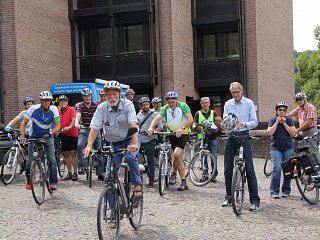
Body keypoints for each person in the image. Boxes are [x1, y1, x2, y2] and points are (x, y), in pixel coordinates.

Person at [83, 80, 143, 201]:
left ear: (120, 94)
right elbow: (94, 128)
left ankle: (137, 185)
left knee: (131, 158)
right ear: (105, 95)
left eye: (114, 94)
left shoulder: (128, 105)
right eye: (109, 94)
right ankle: (111, 214)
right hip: (114, 143)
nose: (111, 97)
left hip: (130, 139)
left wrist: (135, 143)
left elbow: (133, 124)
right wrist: (89, 146)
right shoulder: (101, 108)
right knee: (109, 179)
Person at [221, 82, 260, 212]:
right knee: (227, 168)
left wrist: (243, 123)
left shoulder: (248, 103)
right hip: (232, 136)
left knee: (249, 169)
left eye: (237, 92)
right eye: (233, 92)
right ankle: (229, 197)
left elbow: (255, 122)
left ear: (241, 91)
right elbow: (225, 120)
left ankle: (254, 201)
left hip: (244, 136)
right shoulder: (228, 104)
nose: (236, 94)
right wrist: (224, 125)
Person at [147, 91, 193, 191]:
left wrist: (182, 128)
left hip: (183, 133)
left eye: (173, 102)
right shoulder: (165, 108)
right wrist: (151, 128)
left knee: (176, 154)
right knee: (177, 157)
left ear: (176, 100)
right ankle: (182, 180)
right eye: (169, 102)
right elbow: (157, 118)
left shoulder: (183, 106)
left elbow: (190, 119)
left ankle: (175, 174)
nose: (171, 104)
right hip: (172, 134)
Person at [20, 91, 60, 191]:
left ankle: (53, 182)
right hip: (34, 137)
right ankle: (29, 180)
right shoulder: (33, 109)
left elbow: (58, 126)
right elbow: (24, 123)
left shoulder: (54, 109)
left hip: (47, 137)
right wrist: (23, 136)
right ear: (41, 101)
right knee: (30, 161)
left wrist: (50, 133)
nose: (47, 103)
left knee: (52, 160)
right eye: (44, 101)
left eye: (48, 101)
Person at [266, 101, 296, 198]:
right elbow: (269, 133)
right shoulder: (272, 120)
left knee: (288, 169)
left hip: (288, 148)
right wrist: (277, 122)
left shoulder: (289, 120)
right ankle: (274, 191)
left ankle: (286, 190)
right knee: (277, 168)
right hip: (276, 148)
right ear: (276, 111)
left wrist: (284, 124)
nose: (282, 111)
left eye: (284, 110)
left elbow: (293, 133)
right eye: (280, 110)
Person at [74, 88, 103, 180]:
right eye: (86, 96)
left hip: (94, 128)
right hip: (84, 128)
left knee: (99, 149)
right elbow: (78, 115)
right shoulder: (80, 106)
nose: (87, 98)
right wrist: (76, 123)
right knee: (79, 145)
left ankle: (100, 172)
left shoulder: (96, 105)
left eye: (89, 96)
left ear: (91, 96)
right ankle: (81, 166)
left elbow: (100, 115)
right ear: (83, 97)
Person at [192, 97, 222, 182]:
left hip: (212, 137)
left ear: (209, 103)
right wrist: (195, 127)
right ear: (201, 104)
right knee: (203, 156)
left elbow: (219, 121)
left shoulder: (213, 112)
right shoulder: (198, 113)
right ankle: (205, 174)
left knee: (214, 156)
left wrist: (219, 121)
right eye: (204, 103)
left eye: (207, 102)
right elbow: (194, 124)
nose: (205, 104)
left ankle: (214, 174)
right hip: (202, 137)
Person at [137, 97, 162, 188]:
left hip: (150, 139)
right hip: (140, 139)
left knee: (150, 159)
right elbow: (136, 125)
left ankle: (151, 180)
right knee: (134, 156)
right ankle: (137, 178)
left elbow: (160, 127)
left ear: (149, 105)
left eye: (146, 104)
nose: (145, 106)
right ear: (141, 106)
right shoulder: (138, 115)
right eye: (143, 105)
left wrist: (153, 131)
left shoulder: (155, 114)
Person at [5, 96, 34, 173]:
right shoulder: (23, 113)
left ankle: (34, 169)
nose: (29, 105)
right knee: (18, 153)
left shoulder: (35, 112)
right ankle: (23, 167)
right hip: (24, 134)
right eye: (27, 104)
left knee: (31, 153)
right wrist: (8, 126)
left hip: (33, 135)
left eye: (31, 104)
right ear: (25, 105)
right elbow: (14, 120)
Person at [58, 95, 79, 181]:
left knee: (73, 153)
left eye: (64, 101)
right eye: (61, 101)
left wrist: (70, 127)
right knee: (66, 154)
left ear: (67, 102)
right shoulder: (57, 111)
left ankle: (75, 173)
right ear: (59, 103)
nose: (63, 102)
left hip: (72, 134)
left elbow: (73, 119)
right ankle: (69, 172)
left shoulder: (71, 109)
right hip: (62, 134)